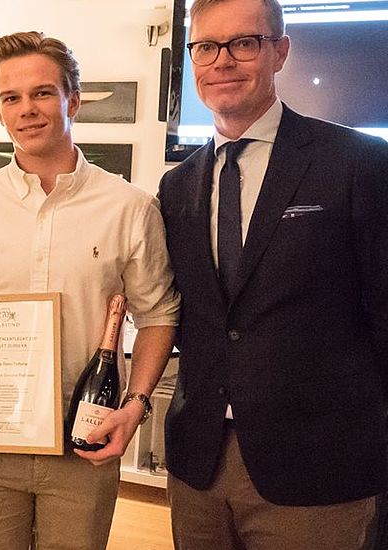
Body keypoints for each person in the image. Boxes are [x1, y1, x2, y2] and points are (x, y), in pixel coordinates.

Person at [0, 31, 180, 549]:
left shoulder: (129, 206)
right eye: (11, 97)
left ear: (73, 99)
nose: (28, 109)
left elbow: (158, 314)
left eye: (43, 93)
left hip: (82, 437)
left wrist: (135, 405)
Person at [157, 0, 388, 548]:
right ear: (191, 61)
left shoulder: (357, 163)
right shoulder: (178, 187)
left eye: (244, 43)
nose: (223, 61)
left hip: (319, 464)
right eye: (206, 47)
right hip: (199, 465)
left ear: (280, 51)